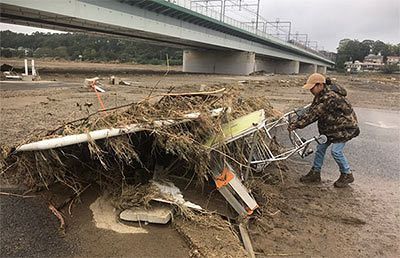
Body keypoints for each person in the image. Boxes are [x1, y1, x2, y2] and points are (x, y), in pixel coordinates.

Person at [288, 73, 360, 188]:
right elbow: (311, 110)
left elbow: (315, 114)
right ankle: (315, 173)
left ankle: (347, 174)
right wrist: (298, 117)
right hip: (331, 127)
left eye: (312, 88)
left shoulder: (330, 97)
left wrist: (297, 124)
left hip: (345, 128)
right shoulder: (320, 95)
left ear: (320, 85)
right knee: (320, 148)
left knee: (336, 152)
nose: (310, 90)